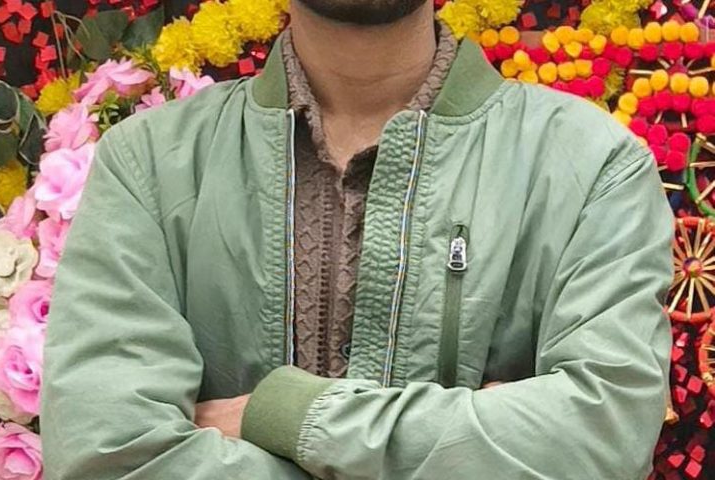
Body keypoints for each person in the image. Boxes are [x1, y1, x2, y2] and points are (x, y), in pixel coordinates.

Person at [40, 1, 675, 479]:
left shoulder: (589, 166)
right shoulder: (152, 165)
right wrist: (472, 442)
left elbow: (602, 438)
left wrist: (283, 413)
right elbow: (109, 454)